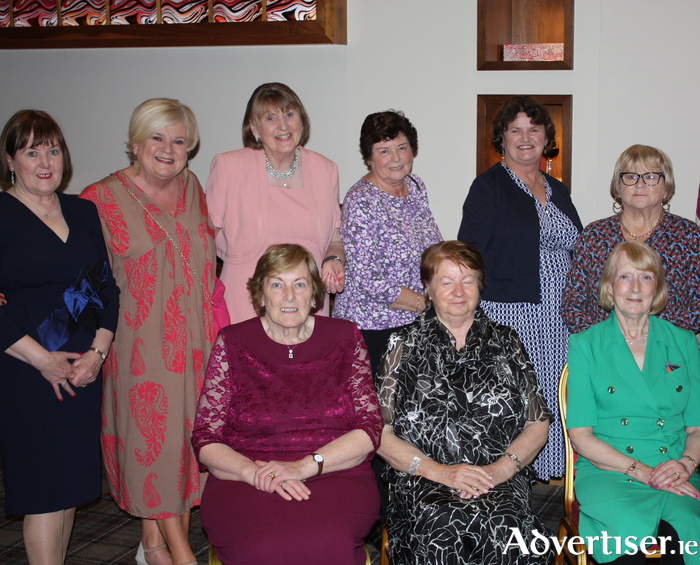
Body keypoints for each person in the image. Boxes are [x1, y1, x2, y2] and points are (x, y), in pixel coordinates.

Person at [81, 98, 216, 565]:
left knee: (186, 447)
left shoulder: (193, 187)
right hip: (141, 348)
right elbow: (81, 284)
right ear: (135, 143)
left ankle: (153, 544)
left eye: (179, 141)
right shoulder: (99, 200)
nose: (168, 149)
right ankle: (181, 555)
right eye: (157, 138)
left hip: (200, 341)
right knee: (154, 448)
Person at [192, 244, 382, 565]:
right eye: (277, 284)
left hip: (333, 471)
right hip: (249, 477)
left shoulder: (345, 337)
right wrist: (257, 474)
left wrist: (303, 467)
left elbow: (369, 429)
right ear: (261, 296)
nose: (290, 296)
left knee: (328, 541)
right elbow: (205, 437)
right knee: (260, 546)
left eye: (300, 284)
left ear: (315, 294)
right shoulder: (233, 342)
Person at [376, 240, 552, 564]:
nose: (458, 291)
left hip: (496, 480)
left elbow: (537, 421)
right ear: (428, 288)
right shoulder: (401, 345)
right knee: (440, 523)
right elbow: (380, 433)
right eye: (446, 281)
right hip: (423, 481)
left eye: (467, 280)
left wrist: (500, 470)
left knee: (505, 524)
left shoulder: (507, 341)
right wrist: (442, 473)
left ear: (479, 286)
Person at [0, 110, 119, 563]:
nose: (45, 161)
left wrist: (97, 353)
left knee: (69, 488)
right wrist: (43, 360)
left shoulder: (83, 210)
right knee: (45, 491)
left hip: (82, 370)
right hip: (28, 372)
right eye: (32, 151)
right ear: (11, 160)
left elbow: (106, 290)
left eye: (52, 149)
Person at [458, 95, 582, 480]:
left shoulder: (557, 189)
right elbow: (469, 254)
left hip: (558, 315)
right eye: (516, 130)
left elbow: (578, 244)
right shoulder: (488, 187)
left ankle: (551, 476)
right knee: (519, 398)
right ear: (502, 138)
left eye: (534, 129)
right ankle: (512, 482)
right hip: (513, 313)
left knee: (556, 393)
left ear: (547, 137)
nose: (525, 137)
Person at [567, 241, 700, 565]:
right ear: (610, 287)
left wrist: (685, 464)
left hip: (673, 468)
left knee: (683, 536)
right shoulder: (586, 345)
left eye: (646, 277)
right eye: (625, 277)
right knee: (627, 539)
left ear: (657, 288)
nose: (635, 288)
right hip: (610, 470)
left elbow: (696, 428)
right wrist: (639, 471)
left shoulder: (683, 342)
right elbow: (581, 437)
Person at [205, 82, 345, 324]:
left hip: (305, 307)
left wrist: (334, 260)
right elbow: (205, 237)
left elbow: (334, 240)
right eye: (270, 118)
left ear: (302, 121)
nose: (283, 126)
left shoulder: (325, 169)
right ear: (254, 128)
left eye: (290, 114)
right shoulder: (229, 167)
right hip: (245, 304)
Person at [334, 110, 442, 375]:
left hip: (414, 323)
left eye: (402, 148)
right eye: (384, 150)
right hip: (372, 331)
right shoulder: (361, 200)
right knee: (381, 414)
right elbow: (367, 280)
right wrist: (428, 304)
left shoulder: (415, 186)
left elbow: (432, 249)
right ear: (369, 157)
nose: (395, 158)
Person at [562, 144, 700, 337]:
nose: (640, 184)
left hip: (667, 349)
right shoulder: (594, 235)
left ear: (666, 189)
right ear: (618, 188)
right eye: (630, 176)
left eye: (651, 177)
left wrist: (649, 337)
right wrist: (609, 338)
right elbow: (572, 304)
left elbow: (697, 305)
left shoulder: (689, 236)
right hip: (604, 350)